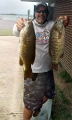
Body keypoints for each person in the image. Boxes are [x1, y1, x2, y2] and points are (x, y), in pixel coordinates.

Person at [13, 2, 69, 120]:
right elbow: (16, 31)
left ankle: (38, 107)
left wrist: (65, 20)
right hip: (33, 71)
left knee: (48, 94)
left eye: (44, 11)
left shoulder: (52, 25)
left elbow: (62, 25)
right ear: (35, 12)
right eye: (38, 11)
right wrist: (17, 26)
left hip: (48, 69)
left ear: (47, 13)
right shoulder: (29, 26)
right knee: (29, 103)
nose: (41, 13)